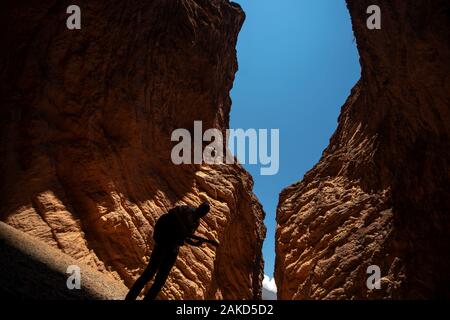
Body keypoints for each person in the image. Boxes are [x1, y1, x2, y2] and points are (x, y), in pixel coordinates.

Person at [125, 201, 219, 300]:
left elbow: (185, 237)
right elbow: (172, 212)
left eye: (205, 212)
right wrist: (183, 228)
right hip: (163, 243)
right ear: (199, 207)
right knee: (149, 274)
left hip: (173, 249)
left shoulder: (196, 222)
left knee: (160, 281)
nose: (203, 213)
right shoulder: (187, 210)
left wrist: (196, 243)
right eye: (203, 210)